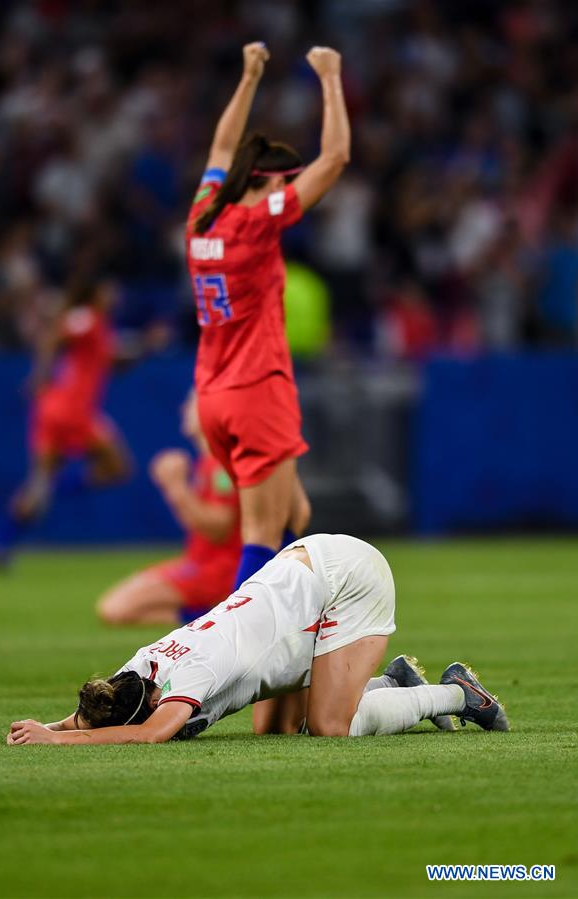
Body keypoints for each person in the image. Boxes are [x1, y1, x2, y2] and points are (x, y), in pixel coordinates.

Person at [187, 42, 350, 733]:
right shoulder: (256, 223)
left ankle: (284, 689)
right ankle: (213, 679)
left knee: (294, 520)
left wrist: (249, 74)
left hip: (214, 396)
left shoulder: (202, 217)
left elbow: (222, 144)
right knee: (260, 539)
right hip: (258, 390)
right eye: (285, 178)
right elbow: (335, 159)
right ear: (269, 182)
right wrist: (330, 77)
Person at [6, 534, 509, 745]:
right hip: (300, 571)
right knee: (277, 728)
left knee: (329, 727)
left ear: (152, 703)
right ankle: (392, 683)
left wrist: (58, 740)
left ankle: (457, 694)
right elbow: (102, 710)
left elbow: (150, 734)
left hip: (347, 579)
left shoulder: (193, 674)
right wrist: (50, 726)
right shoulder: (138, 669)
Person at [0, 276, 131, 567]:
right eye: (107, 289)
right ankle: (53, 489)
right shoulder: (87, 317)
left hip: (52, 410)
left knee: (38, 482)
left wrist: (144, 346)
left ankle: (1, 543)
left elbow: (108, 361)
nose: (113, 294)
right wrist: (40, 375)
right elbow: (54, 337)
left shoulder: (99, 326)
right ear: (94, 293)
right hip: (72, 410)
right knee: (118, 467)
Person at [97, 392, 241, 626]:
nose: (184, 408)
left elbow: (219, 528)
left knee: (116, 609)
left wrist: (176, 487)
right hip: (199, 563)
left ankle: (216, 615)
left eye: (192, 403)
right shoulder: (209, 462)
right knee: (115, 607)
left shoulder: (221, 465)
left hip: (218, 571)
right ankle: (212, 614)